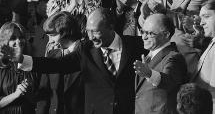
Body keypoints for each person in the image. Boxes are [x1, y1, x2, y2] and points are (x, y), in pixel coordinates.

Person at [16, 7, 147, 114]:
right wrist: (22, 59)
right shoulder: (86, 49)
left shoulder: (136, 46)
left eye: (95, 32)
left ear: (111, 27)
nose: (91, 37)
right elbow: (58, 64)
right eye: (88, 32)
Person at [134, 14, 187, 114]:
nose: (144, 37)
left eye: (149, 33)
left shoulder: (174, 57)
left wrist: (150, 74)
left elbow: (169, 81)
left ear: (166, 34)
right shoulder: (148, 56)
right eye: (142, 32)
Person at [36, 12, 84, 114]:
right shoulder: (52, 55)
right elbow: (44, 96)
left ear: (65, 32)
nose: (50, 41)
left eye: (53, 35)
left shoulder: (87, 53)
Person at [0, 22, 38, 114]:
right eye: (13, 38)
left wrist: (28, 94)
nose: (19, 41)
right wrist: (15, 94)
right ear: (4, 42)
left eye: (21, 37)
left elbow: (41, 100)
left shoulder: (34, 63)